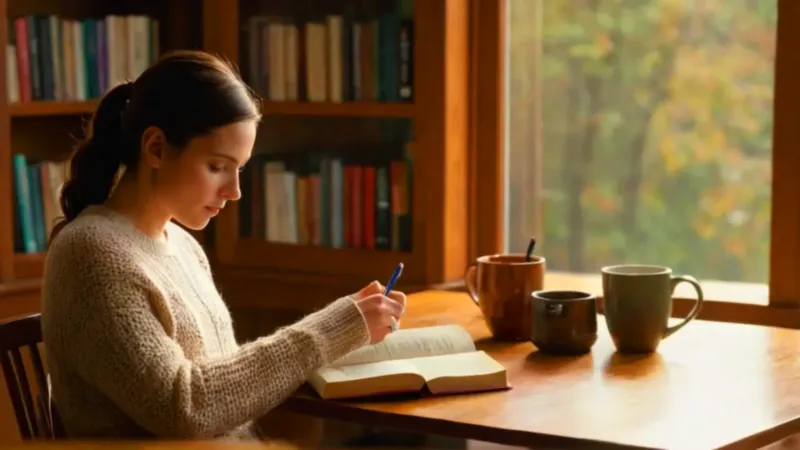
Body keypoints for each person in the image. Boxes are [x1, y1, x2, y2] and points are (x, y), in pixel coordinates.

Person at [40, 50, 406, 441]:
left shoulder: (181, 245)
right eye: (217, 166)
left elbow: (225, 387)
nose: (234, 192)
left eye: (240, 169)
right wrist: (332, 330)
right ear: (156, 149)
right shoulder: (92, 254)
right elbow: (185, 407)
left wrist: (347, 333)